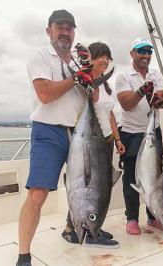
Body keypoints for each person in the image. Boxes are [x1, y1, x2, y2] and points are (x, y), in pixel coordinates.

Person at [16, 10, 120, 266]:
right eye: (59, 27)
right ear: (48, 30)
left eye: (69, 28)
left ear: (74, 31)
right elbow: (45, 94)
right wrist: (76, 77)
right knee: (38, 194)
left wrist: (90, 77)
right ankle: (24, 254)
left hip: (80, 133)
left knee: (89, 187)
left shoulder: (78, 60)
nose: (65, 32)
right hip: (49, 132)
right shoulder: (40, 56)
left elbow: (93, 98)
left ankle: (81, 229)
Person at [61, 41, 125, 244]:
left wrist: (117, 139)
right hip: (87, 140)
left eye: (108, 57)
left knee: (99, 186)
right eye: (102, 56)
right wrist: (88, 81)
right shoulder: (83, 81)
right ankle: (72, 228)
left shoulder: (107, 86)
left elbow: (111, 114)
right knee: (82, 183)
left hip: (104, 141)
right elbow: (89, 99)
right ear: (93, 58)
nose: (106, 60)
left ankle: (93, 226)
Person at [115, 38, 163, 235]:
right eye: (141, 51)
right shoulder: (123, 76)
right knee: (131, 177)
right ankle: (132, 219)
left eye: (148, 51)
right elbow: (127, 104)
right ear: (132, 54)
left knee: (154, 176)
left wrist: (157, 98)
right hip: (131, 133)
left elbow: (160, 102)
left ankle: (153, 216)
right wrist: (141, 90)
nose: (145, 55)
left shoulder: (156, 73)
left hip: (153, 131)